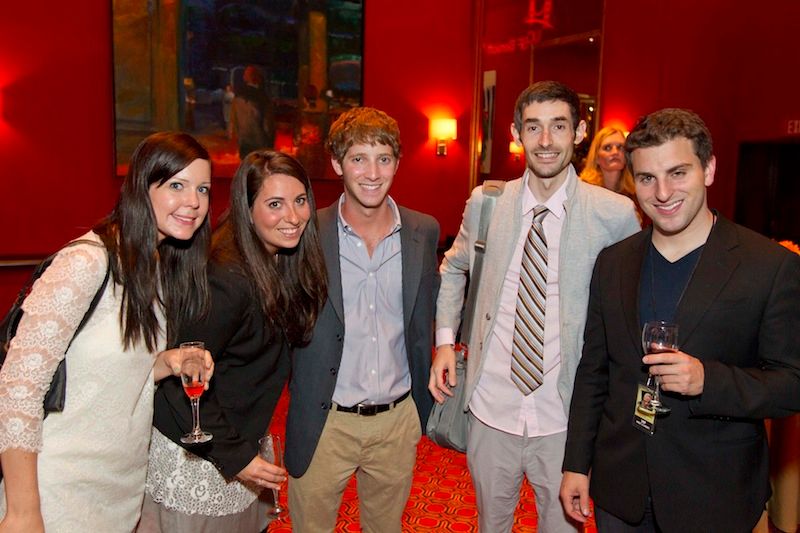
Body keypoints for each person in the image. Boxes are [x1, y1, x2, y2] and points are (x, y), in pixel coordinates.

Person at [560, 108, 800, 532]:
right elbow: (594, 372)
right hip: (621, 490)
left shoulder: (769, 266)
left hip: (712, 494)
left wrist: (708, 380)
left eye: (678, 173)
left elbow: (792, 384)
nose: (662, 192)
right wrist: (576, 463)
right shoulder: (613, 263)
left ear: (709, 169)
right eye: (647, 178)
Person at [430, 81, 640, 533]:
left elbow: (631, 308)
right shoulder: (487, 202)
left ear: (579, 132)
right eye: (533, 127)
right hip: (491, 407)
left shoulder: (614, 214)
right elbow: (454, 267)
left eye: (558, 126)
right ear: (516, 133)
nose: (545, 140)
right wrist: (445, 342)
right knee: (491, 525)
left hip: (566, 418)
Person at [0, 131, 214, 532]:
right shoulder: (86, 262)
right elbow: (18, 388)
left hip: (119, 491)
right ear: (142, 187)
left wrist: (167, 362)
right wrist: (23, 510)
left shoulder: (154, 267)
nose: (194, 201)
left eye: (202, 189)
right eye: (177, 186)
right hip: (57, 490)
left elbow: (114, 373)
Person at [141, 151, 327, 532]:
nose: (293, 217)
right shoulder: (225, 276)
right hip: (200, 458)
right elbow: (181, 381)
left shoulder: (278, 260)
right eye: (275, 204)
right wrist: (235, 456)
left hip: (237, 442)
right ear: (247, 208)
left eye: (300, 200)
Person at [285, 106, 440, 533]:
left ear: (397, 163)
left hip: (396, 421)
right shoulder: (306, 233)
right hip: (325, 421)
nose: (372, 173)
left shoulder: (423, 231)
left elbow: (430, 313)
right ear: (337, 164)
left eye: (383, 158)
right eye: (358, 158)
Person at [230, 65, 275, 159]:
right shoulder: (263, 97)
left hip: (244, 142)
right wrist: (270, 143)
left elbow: (234, 119)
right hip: (260, 143)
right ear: (258, 77)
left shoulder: (238, 95)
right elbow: (268, 124)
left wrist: (237, 136)